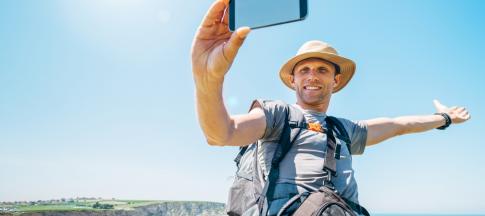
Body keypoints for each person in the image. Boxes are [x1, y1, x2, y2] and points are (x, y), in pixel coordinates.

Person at [191, 0, 471, 215]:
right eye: (305, 70)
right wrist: (208, 80)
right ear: (293, 80)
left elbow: (400, 126)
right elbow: (222, 133)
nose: (312, 75)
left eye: (322, 69)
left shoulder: (345, 130)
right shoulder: (277, 114)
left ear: (335, 80)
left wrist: (444, 118)